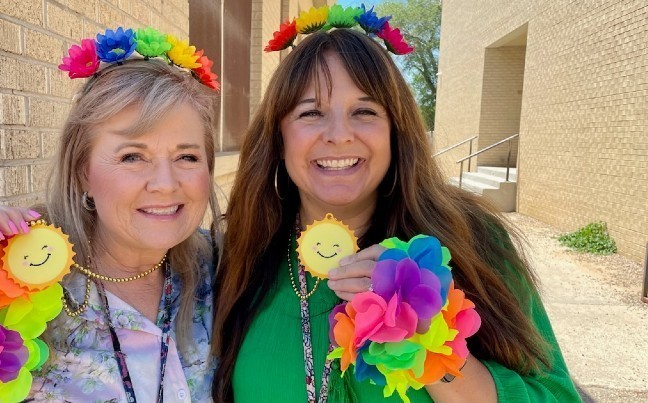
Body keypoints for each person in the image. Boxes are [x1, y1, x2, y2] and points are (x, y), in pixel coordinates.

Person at [213, 28, 580, 402]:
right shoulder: (240, 251)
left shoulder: (471, 240)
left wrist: (422, 334)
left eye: (364, 111)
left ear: (395, 131)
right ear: (278, 137)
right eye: (311, 112)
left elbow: (555, 395)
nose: (339, 134)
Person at [0, 29, 221, 402]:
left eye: (187, 157)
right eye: (132, 157)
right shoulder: (16, 277)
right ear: (82, 173)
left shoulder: (223, 269)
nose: (165, 184)